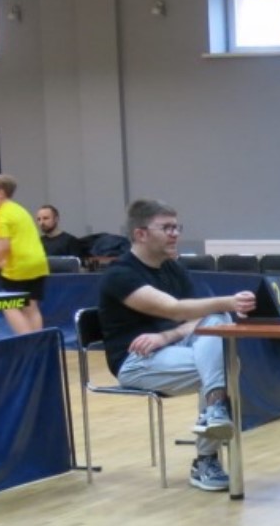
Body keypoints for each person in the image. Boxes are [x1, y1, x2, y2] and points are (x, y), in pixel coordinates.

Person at [96, 200, 258, 492]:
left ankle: (214, 413)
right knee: (225, 364)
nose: (175, 234)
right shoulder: (120, 275)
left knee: (218, 322)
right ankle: (207, 453)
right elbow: (175, 309)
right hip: (135, 361)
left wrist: (166, 337)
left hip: (173, 348)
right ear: (140, 233)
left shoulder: (173, 269)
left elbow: (196, 319)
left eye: (176, 227)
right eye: (167, 228)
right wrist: (228, 302)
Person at [0, 174, 49, 335]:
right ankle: (38, 343)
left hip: (19, 265)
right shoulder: (20, 210)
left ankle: (27, 341)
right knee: (31, 306)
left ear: (0, 192)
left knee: (7, 304)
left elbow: (4, 246)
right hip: (38, 263)